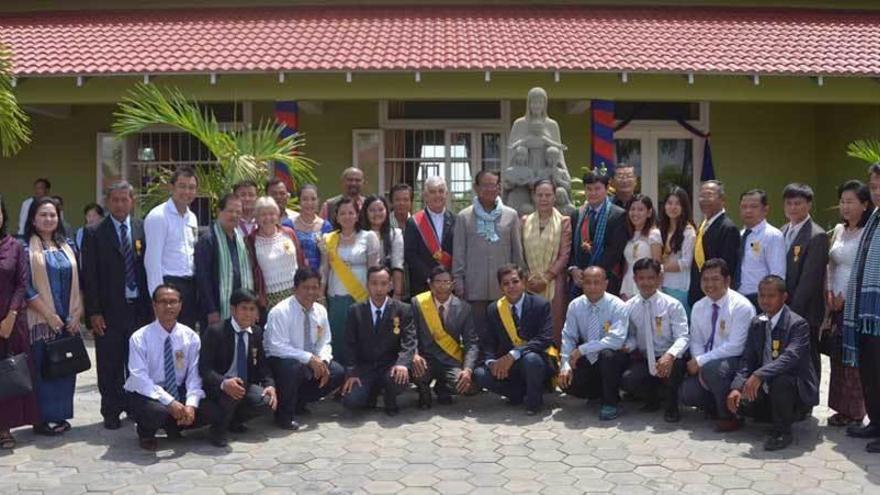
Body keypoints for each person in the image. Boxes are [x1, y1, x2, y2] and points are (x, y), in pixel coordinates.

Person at [81, 181, 151, 430]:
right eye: (115, 200)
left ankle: (134, 407)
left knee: (136, 361)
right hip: (108, 310)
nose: (120, 204)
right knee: (109, 362)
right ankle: (111, 410)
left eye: (125, 199)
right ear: (108, 202)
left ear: (132, 201)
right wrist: (94, 313)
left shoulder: (143, 229)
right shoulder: (94, 232)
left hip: (138, 308)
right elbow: (89, 276)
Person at [727, 276, 818, 451]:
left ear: (784, 297)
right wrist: (736, 387)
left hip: (794, 390)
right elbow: (748, 359)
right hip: (766, 385)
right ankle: (768, 416)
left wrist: (760, 374)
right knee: (738, 397)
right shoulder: (757, 322)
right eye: (762, 296)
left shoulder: (798, 324)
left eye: (771, 296)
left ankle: (783, 431)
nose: (765, 301)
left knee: (781, 379)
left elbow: (790, 357)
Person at [23, 197, 83, 437]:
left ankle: (60, 416)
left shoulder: (68, 245)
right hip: (41, 321)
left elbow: (81, 282)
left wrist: (77, 313)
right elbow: (25, 286)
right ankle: (42, 419)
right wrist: (48, 314)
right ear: (33, 219)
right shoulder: (25, 248)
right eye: (43, 215)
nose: (48, 219)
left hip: (68, 321)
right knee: (43, 370)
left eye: (53, 215)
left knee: (65, 368)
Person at [124, 285, 207, 451]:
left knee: (211, 409)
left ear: (180, 305)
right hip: (148, 393)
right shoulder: (140, 337)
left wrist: (190, 405)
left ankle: (174, 426)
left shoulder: (190, 337)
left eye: (173, 302)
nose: (168, 306)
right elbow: (140, 379)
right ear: (154, 305)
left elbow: (194, 374)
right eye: (162, 302)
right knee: (157, 411)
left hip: (178, 390)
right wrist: (170, 402)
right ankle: (146, 432)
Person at [679, 258, 756, 431]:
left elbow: (736, 346)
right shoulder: (699, 306)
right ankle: (715, 406)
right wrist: (698, 360)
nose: (709, 284)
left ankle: (730, 416)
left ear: (727, 281)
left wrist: (701, 362)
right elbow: (696, 340)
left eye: (715, 279)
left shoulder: (741, 306)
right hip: (709, 365)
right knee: (686, 393)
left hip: (736, 363)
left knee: (713, 369)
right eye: (705, 280)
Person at [264, 267, 345, 430]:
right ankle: (283, 415)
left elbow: (325, 341)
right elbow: (276, 346)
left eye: (315, 287)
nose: (311, 292)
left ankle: (298, 403)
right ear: (295, 289)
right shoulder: (280, 311)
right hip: (282, 362)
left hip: (309, 362)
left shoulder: (321, 311)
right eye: (306, 288)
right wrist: (308, 358)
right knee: (292, 367)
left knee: (337, 372)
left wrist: (322, 361)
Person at [474, 264, 557, 415]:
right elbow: (489, 342)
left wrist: (514, 354)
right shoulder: (494, 309)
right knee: (480, 374)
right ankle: (517, 395)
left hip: (537, 360)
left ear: (524, 282)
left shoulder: (540, 304)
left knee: (531, 359)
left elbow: (545, 338)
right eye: (506, 284)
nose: (511, 287)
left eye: (515, 282)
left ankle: (534, 402)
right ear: (500, 287)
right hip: (509, 366)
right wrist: (491, 362)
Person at [198, 288, 277, 447]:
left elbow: (262, 366)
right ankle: (218, 430)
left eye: (252, 309)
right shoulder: (215, 331)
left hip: (243, 385)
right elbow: (204, 368)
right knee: (231, 392)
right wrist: (223, 383)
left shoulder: (256, 332)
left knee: (267, 401)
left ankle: (234, 421)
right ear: (233, 310)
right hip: (219, 385)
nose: (248, 314)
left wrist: (270, 385)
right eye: (243, 308)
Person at [453, 171, 524, 334]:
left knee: (504, 332)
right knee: (477, 334)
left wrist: (519, 281)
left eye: (494, 185)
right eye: (486, 185)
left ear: (499, 188)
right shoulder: (464, 217)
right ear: (476, 188)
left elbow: (517, 252)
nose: (490, 189)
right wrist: (458, 282)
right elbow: (458, 253)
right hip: (474, 288)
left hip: (504, 288)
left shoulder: (511, 215)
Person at [341, 266, 416, 416]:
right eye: (374, 283)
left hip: (390, 366)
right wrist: (351, 372)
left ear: (390, 285)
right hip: (365, 367)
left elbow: (409, 340)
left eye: (383, 284)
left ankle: (390, 397)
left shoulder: (403, 309)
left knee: (398, 379)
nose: (379, 288)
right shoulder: (355, 311)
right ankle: (371, 393)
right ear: (367, 285)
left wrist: (402, 364)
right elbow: (349, 344)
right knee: (351, 401)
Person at [622, 258, 689, 423]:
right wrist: (627, 346)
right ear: (635, 280)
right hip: (646, 358)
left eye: (651, 278)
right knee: (629, 379)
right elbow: (631, 336)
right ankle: (652, 400)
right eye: (641, 278)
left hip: (670, 356)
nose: (646, 282)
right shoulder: (629, 306)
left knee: (673, 369)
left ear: (659, 278)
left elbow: (683, 336)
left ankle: (672, 406)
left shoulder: (672, 305)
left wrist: (670, 355)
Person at [826, 180, 870, 427]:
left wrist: (847, 297)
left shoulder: (870, 234)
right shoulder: (839, 231)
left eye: (850, 201)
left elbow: (866, 270)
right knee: (838, 356)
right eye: (842, 201)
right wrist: (830, 293)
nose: (845, 206)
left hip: (858, 304)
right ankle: (841, 408)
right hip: (836, 305)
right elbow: (831, 265)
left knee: (855, 359)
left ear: (865, 205)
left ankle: (857, 411)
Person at [558, 266, 628, 420]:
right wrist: (565, 365)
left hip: (613, 359)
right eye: (588, 282)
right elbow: (568, 336)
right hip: (589, 358)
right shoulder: (575, 305)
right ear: (582, 283)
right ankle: (597, 393)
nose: (592, 287)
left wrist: (582, 350)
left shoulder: (617, 306)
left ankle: (610, 402)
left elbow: (616, 340)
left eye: (597, 282)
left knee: (607, 354)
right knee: (569, 383)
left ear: (606, 284)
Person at [843, 164, 880, 453]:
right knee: (870, 371)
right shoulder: (875, 219)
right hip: (868, 314)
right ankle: (875, 422)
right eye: (874, 186)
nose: (877, 192)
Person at [320, 198, 381, 365]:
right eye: (342, 213)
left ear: (357, 216)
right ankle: (339, 377)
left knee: (360, 338)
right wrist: (321, 295)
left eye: (351, 213)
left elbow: (373, 270)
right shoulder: (328, 238)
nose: (347, 216)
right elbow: (324, 269)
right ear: (337, 217)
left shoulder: (369, 237)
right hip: (337, 296)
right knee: (337, 337)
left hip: (361, 296)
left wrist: (374, 297)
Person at [0, 196, 38, 449]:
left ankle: (4, 428)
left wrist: (11, 315)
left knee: (7, 375)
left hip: (9, 323)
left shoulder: (14, 246)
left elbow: (22, 283)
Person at [410, 266, 479, 408]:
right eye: (438, 281)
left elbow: (471, 342)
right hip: (425, 358)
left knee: (465, 386)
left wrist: (467, 370)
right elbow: (411, 334)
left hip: (450, 360)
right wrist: (415, 355)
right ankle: (424, 391)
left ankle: (443, 387)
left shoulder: (464, 308)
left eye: (446, 282)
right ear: (430, 283)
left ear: (453, 284)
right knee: (416, 370)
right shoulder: (418, 303)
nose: (442, 285)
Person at [781, 183, 828, 380]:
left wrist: (791, 312)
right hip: (782, 305)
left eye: (798, 203)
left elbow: (810, 279)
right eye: (789, 203)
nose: (793, 208)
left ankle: (809, 401)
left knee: (807, 355)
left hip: (804, 310)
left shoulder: (817, 236)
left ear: (808, 205)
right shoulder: (782, 230)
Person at [144, 166, 199, 329]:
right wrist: (158, 299)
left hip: (189, 286)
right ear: (171, 188)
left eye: (191, 187)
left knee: (185, 337)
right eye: (182, 186)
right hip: (168, 285)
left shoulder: (192, 218)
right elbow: (152, 262)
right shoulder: (158, 216)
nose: (187, 192)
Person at [520, 180, 572, 343]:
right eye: (540, 195)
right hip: (529, 281)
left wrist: (546, 277)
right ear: (533, 197)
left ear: (554, 197)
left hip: (554, 282)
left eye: (548, 195)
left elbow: (565, 255)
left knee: (554, 324)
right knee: (529, 325)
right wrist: (528, 276)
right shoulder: (524, 221)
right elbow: (519, 252)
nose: (544, 199)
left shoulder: (563, 222)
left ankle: (553, 361)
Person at [195, 194, 254, 327]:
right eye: (230, 211)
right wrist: (212, 310)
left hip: (240, 309)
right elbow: (203, 279)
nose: (234, 215)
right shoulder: (208, 240)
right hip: (217, 310)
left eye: (238, 212)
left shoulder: (241, 240)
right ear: (219, 212)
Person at [568, 170, 628, 297]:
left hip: (606, 281)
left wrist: (592, 274)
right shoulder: (577, 215)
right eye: (589, 189)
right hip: (579, 282)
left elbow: (614, 251)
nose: (593, 193)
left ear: (606, 189)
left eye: (597, 188)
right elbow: (572, 247)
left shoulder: (618, 215)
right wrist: (573, 269)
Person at [246, 197, 305, 313]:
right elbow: (251, 271)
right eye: (263, 214)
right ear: (256, 218)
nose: (268, 218)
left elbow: (301, 260)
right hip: (269, 299)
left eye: (272, 213)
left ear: (277, 215)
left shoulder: (289, 233)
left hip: (296, 293)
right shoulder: (251, 240)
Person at [688, 180, 741, 307]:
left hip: (716, 296)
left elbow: (727, 266)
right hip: (700, 294)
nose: (704, 199)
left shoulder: (728, 228)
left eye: (709, 195)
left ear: (722, 199)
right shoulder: (703, 225)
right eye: (701, 196)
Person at [405, 176, 454, 296]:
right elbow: (410, 255)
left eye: (441, 191)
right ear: (425, 196)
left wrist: (447, 279)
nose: (437, 195)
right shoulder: (414, 222)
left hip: (450, 286)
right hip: (423, 285)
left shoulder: (456, 220)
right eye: (432, 192)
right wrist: (432, 279)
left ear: (446, 194)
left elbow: (459, 252)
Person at [737, 189, 786, 308]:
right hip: (738, 297)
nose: (748, 211)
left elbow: (777, 275)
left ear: (765, 210)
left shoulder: (772, 235)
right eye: (744, 207)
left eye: (754, 206)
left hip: (760, 298)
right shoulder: (740, 235)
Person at [658, 187, 696, 311]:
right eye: (669, 203)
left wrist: (660, 268)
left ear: (684, 206)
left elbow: (686, 262)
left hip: (679, 287)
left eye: (677, 204)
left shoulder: (688, 231)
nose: (673, 207)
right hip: (661, 286)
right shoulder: (661, 229)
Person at [360, 195, 405, 299]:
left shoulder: (395, 234)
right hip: (360, 288)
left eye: (381, 210)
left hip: (385, 291)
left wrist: (397, 294)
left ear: (387, 211)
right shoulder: (358, 235)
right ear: (365, 212)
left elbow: (397, 265)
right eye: (372, 210)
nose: (377, 214)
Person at [620, 195, 662, 301]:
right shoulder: (629, 235)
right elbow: (626, 264)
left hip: (647, 286)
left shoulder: (654, 234)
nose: (635, 213)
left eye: (640, 210)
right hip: (628, 285)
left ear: (649, 213)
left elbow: (657, 265)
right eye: (632, 209)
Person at [292, 184, 333, 271]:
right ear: (299, 201)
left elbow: (329, 258)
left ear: (318, 201)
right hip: (293, 277)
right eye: (305, 199)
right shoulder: (289, 225)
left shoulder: (326, 227)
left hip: (318, 277)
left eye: (313, 199)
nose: (309, 203)